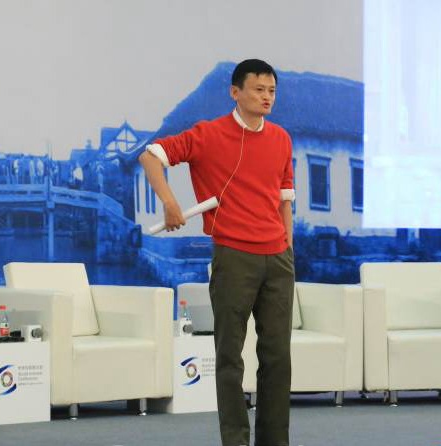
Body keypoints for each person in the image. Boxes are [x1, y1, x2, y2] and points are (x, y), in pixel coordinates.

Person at [139, 59, 295, 446]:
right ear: (235, 92)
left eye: (271, 91)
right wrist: (170, 202)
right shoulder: (208, 135)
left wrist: (287, 246)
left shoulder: (281, 139)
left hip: (278, 258)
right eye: (258, 90)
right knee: (229, 357)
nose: (266, 97)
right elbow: (150, 156)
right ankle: (235, 441)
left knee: (278, 357)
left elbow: (284, 200)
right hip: (234, 257)